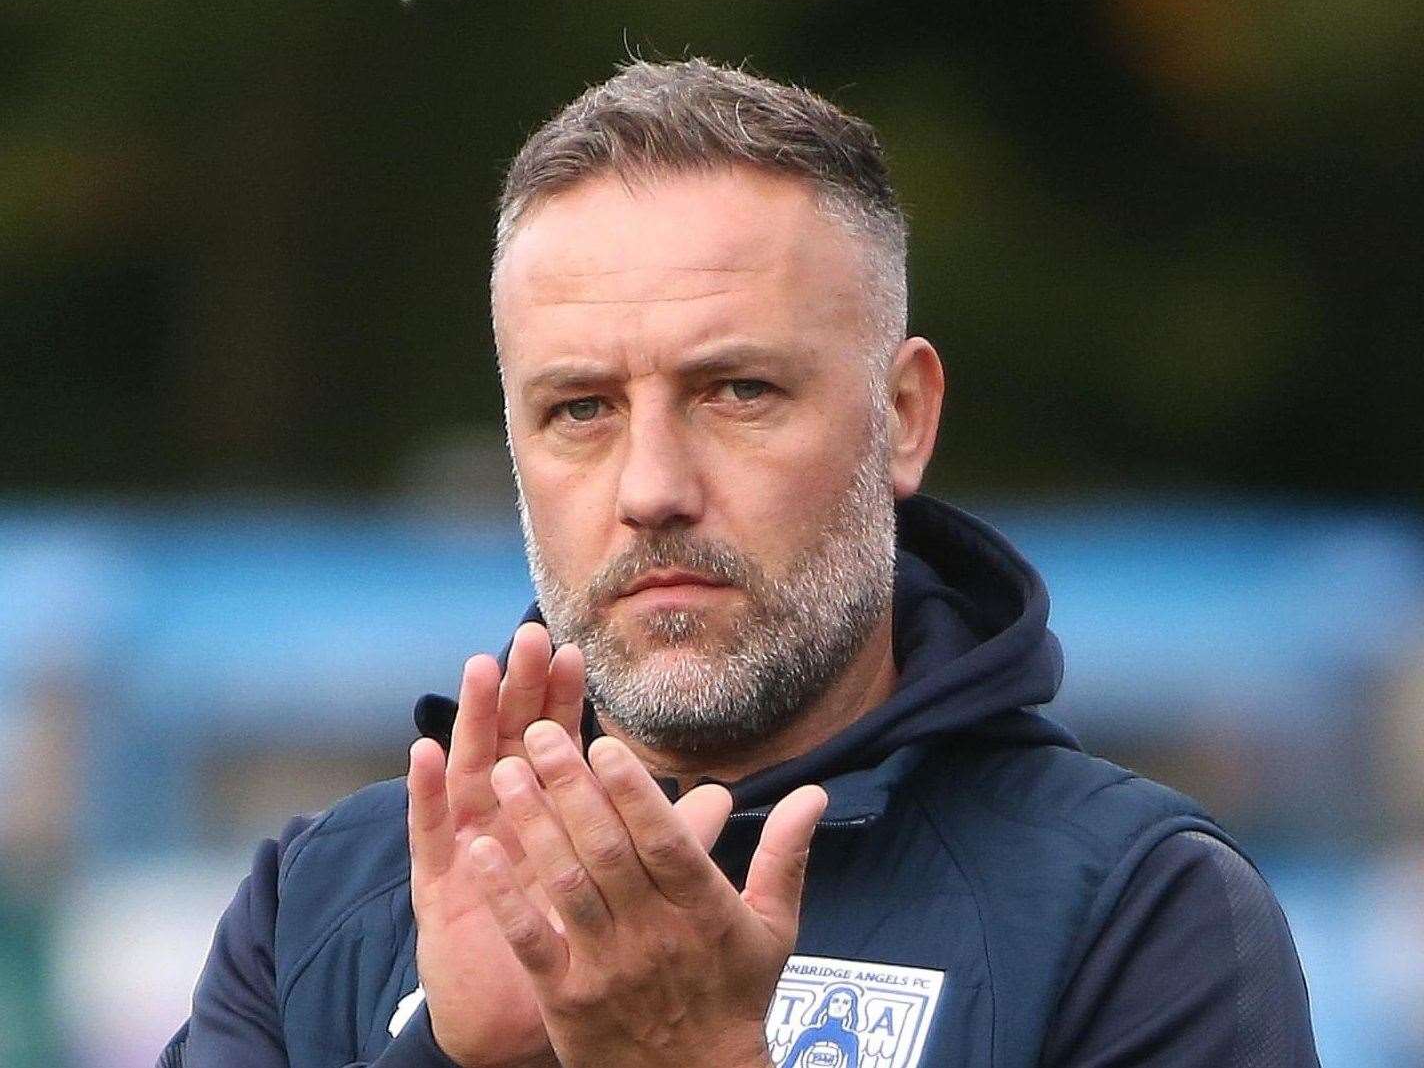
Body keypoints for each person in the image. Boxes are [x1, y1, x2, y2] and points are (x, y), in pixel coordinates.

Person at [162, 58, 1321, 1068]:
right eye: (579, 408)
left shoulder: (1132, 915)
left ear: (902, 417)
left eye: (736, 391)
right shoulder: (325, 900)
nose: (651, 487)